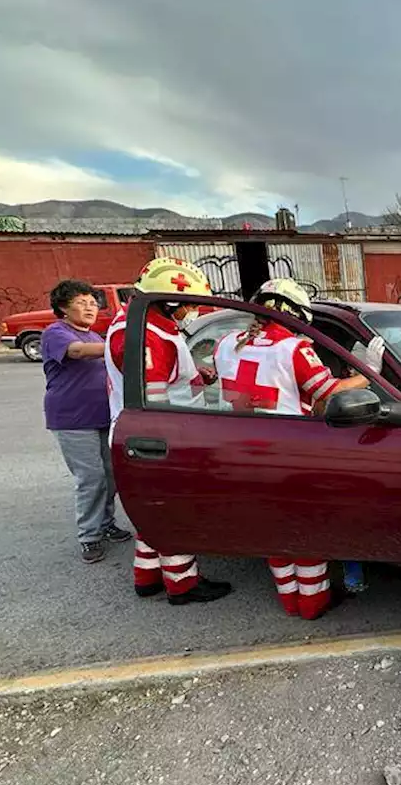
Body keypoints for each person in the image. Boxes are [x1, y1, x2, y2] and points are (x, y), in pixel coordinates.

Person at [213, 278, 371, 619]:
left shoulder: (226, 344)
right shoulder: (293, 348)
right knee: (306, 532)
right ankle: (312, 604)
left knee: (273, 532)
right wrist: (368, 373)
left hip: (238, 453)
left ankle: (289, 600)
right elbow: (328, 391)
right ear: (291, 314)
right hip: (287, 455)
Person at [105, 257, 232, 606]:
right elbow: (153, 400)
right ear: (170, 300)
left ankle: (146, 576)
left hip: (149, 435)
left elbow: (164, 377)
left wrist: (195, 374)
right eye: (188, 305)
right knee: (175, 511)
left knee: (153, 511)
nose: (190, 312)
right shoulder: (146, 337)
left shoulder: (140, 323)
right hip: (160, 437)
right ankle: (182, 584)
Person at [41, 279, 132, 564]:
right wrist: (118, 345)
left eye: (93, 303)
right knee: (90, 478)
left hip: (103, 415)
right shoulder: (56, 332)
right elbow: (77, 352)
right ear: (63, 308)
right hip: (72, 419)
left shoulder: (95, 336)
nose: (90, 308)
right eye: (81, 303)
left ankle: (105, 524)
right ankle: (89, 536)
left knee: (110, 475)